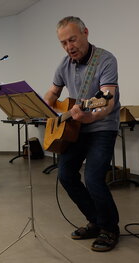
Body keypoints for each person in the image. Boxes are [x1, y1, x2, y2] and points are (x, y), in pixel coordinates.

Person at [43, 16, 121, 252]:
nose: (69, 47)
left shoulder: (105, 59)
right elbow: (52, 93)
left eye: (73, 40)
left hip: (102, 126)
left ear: (86, 32)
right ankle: (96, 221)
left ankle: (110, 228)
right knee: (65, 175)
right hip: (75, 129)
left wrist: (90, 116)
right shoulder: (64, 64)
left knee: (94, 178)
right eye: (64, 43)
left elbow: (107, 101)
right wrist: (49, 109)